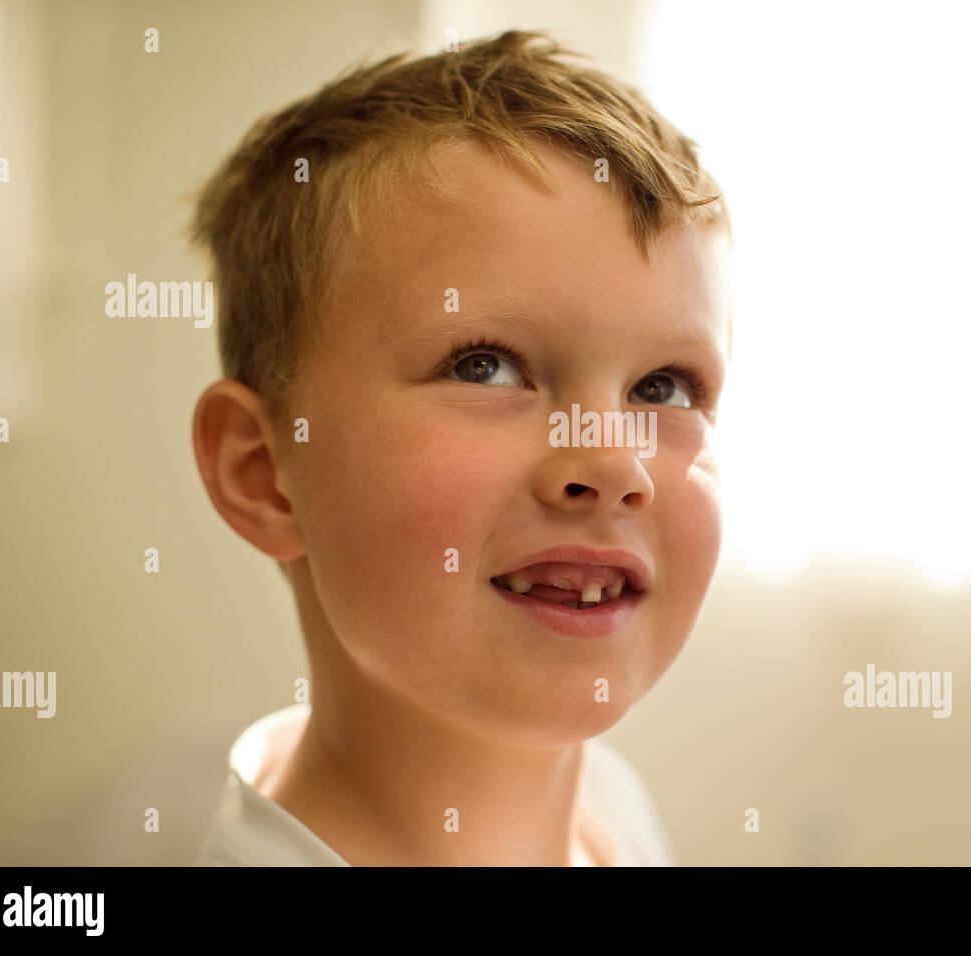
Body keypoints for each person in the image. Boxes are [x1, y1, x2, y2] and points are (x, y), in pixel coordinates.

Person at [189, 28, 731, 866]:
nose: (611, 463)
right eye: (487, 367)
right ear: (264, 474)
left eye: (662, 387)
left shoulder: (614, 811)